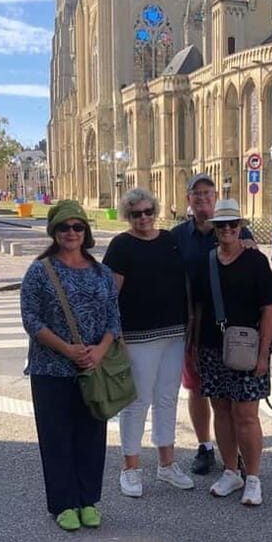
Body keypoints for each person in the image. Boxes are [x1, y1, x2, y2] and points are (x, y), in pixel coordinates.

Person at [20, 200, 121, 531]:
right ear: (54, 232)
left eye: (78, 227)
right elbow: (31, 320)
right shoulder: (40, 271)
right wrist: (67, 349)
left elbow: (114, 320)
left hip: (93, 367)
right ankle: (63, 504)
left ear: (86, 232)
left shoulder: (101, 272)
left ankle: (88, 500)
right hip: (51, 369)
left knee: (91, 436)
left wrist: (99, 352)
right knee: (56, 437)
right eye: (64, 227)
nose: (71, 233)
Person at [102, 188, 194, 498]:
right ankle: (131, 468)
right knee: (137, 402)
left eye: (148, 211)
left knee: (167, 398)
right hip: (138, 337)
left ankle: (167, 464)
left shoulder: (169, 240)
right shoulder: (121, 246)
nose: (144, 218)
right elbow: (109, 297)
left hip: (173, 333)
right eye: (136, 213)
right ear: (128, 216)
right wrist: (118, 338)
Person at [193, 199, 272, 505]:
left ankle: (252, 476)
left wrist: (264, 354)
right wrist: (194, 348)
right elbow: (199, 308)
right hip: (212, 347)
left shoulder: (255, 260)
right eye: (221, 225)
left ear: (241, 226)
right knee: (222, 410)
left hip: (247, 347)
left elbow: (269, 309)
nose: (227, 229)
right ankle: (231, 470)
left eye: (233, 224)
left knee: (246, 414)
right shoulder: (208, 261)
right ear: (214, 229)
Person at [170, 174, 254, 476]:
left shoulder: (235, 229)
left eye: (208, 192)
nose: (202, 198)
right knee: (196, 387)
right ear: (188, 199)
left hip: (233, 325)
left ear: (215, 196)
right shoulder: (178, 236)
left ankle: (237, 453)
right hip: (194, 321)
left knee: (230, 394)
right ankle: (205, 446)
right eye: (196, 193)